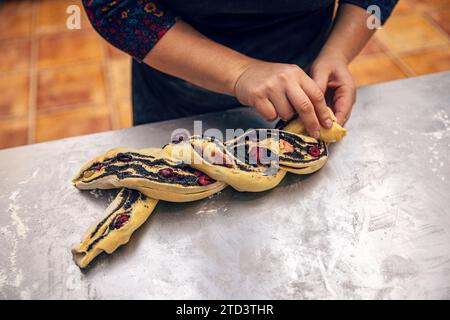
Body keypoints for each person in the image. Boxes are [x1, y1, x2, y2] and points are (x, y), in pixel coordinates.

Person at [83, 0, 397, 138]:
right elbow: (114, 6)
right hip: (180, 97)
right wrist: (239, 72)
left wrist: (337, 51)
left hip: (304, 92)